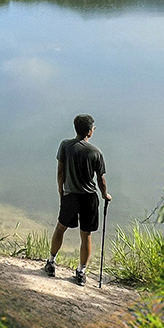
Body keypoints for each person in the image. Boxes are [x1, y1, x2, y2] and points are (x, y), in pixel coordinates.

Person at [43, 114, 111, 286]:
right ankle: (81, 272)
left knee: (60, 228)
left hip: (70, 196)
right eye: (93, 128)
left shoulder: (65, 146)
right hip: (89, 198)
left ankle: (51, 262)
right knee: (86, 235)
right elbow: (101, 180)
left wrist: (61, 193)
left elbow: (60, 173)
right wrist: (105, 195)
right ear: (89, 132)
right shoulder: (96, 152)